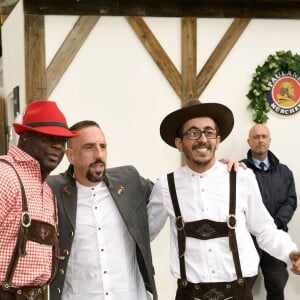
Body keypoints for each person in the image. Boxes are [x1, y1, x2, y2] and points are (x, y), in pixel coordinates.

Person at [147, 100, 300, 300]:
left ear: (217, 140)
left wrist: (290, 253)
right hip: (188, 294)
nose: (202, 139)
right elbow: (143, 234)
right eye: (193, 133)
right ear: (179, 143)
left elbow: (264, 230)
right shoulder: (166, 186)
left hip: (238, 293)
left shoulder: (242, 178)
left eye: (209, 132)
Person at [46, 120, 157, 300]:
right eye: (89, 147)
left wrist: (217, 170)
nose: (99, 155)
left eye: (103, 146)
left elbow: (167, 191)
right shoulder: (53, 191)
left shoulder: (128, 180)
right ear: (70, 156)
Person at [0, 100, 78, 300]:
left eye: (62, 141)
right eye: (49, 138)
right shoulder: (4, 177)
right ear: (25, 137)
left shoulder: (47, 189)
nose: (58, 147)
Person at [241, 124, 297, 300]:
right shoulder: (239, 171)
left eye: (264, 136)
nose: (260, 140)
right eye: (256, 137)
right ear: (249, 141)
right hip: (247, 240)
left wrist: (276, 223)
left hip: (276, 237)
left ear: (269, 141)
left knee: (277, 286)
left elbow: (291, 200)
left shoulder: (284, 172)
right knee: (242, 286)